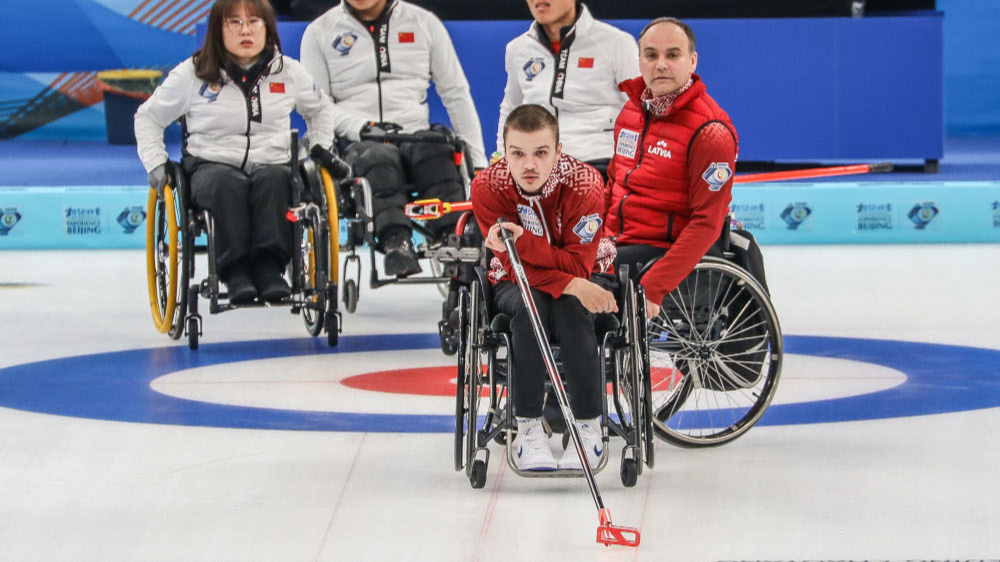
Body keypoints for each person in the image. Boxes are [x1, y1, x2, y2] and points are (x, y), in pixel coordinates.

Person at [135, 0, 351, 304]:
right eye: (234, 23)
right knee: (226, 184)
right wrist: (155, 163)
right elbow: (147, 117)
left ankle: (269, 269)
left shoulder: (288, 71)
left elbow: (322, 110)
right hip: (212, 162)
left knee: (277, 181)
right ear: (218, 29)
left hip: (272, 159)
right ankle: (234, 272)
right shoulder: (193, 73)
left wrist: (317, 145)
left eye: (254, 22)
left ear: (268, 29)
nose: (245, 30)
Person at [471, 104, 617, 472]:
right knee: (530, 303)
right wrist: (570, 283)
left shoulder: (585, 184)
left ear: (559, 151)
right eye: (517, 154)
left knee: (570, 307)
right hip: (513, 281)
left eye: (541, 153)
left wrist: (534, 252)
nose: (529, 165)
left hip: (588, 274)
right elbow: (511, 264)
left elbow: (578, 265)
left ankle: (587, 426)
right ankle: (528, 425)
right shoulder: (488, 186)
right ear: (504, 153)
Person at [300, 0, 488, 277]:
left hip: (414, 133)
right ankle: (396, 242)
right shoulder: (319, 33)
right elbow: (318, 107)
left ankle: (451, 237)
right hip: (357, 139)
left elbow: (456, 94)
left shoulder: (425, 23)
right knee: (377, 158)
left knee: (437, 152)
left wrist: (479, 165)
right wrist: (362, 127)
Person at [604, 17, 739, 317]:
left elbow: (707, 223)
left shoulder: (711, 132)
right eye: (651, 55)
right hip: (618, 242)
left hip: (661, 251)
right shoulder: (630, 111)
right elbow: (613, 184)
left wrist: (655, 285)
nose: (661, 64)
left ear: (692, 61)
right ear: (639, 61)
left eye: (672, 55)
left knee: (575, 284)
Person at [496, 0, 638, 178]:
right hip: (538, 167)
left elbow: (640, 110)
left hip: (600, 164)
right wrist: (504, 159)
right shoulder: (517, 49)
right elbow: (511, 108)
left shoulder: (616, 43)